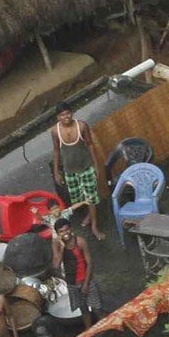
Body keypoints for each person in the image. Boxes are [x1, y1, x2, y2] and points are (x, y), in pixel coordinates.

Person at [49, 105, 103, 240]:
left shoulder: (82, 126)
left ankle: (94, 226)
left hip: (86, 167)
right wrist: (56, 171)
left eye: (68, 114)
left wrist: (96, 166)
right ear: (58, 117)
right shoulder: (55, 131)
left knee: (91, 197)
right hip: (70, 171)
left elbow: (90, 144)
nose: (66, 117)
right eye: (62, 115)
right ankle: (90, 214)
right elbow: (56, 151)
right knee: (79, 198)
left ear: (72, 113)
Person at [53, 222, 101, 322]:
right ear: (57, 234)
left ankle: (105, 328)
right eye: (61, 232)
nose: (65, 233)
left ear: (71, 229)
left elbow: (90, 263)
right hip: (72, 283)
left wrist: (86, 285)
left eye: (66, 230)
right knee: (83, 309)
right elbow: (56, 265)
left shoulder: (80, 242)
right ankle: (88, 332)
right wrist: (61, 248)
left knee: (97, 308)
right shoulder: (56, 244)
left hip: (86, 280)